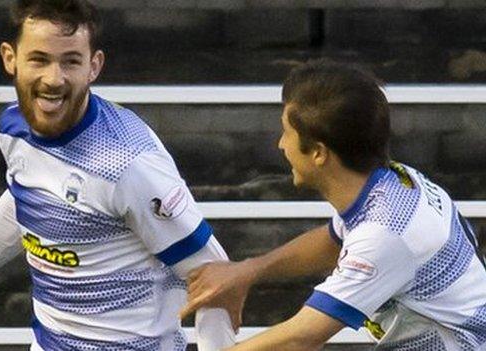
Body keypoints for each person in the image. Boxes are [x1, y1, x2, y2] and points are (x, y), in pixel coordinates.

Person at [0, 1, 236, 350]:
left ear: (94, 66)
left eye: (70, 62)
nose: (53, 79)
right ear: (10, 59)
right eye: (39, 60)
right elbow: (26, 200)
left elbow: (216, 275)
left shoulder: (129, 164)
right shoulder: (14, 128)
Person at [180, 60, 486, 350]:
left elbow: (302, 337)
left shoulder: (384, 233)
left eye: (287, 132)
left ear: (318, 153)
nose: (280, 145)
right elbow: (333, 241)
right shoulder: (388, 185)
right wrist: (248, 271)